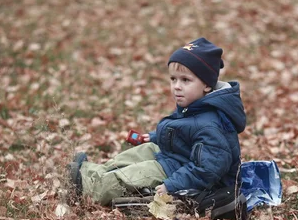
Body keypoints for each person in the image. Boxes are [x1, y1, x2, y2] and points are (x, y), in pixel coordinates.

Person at [68, 37, 246, 206]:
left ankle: (90, 190)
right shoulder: (195, 105)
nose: (177, 86)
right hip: (177, 159)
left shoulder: (211, 124)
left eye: (185, 80)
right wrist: (154, 137)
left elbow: (207, 169)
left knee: (135, 174)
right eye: (173, 79)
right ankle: (92, 173)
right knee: (137, 154)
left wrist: (172, 185)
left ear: (207, 85)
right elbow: (184, 135)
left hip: (187, 176)